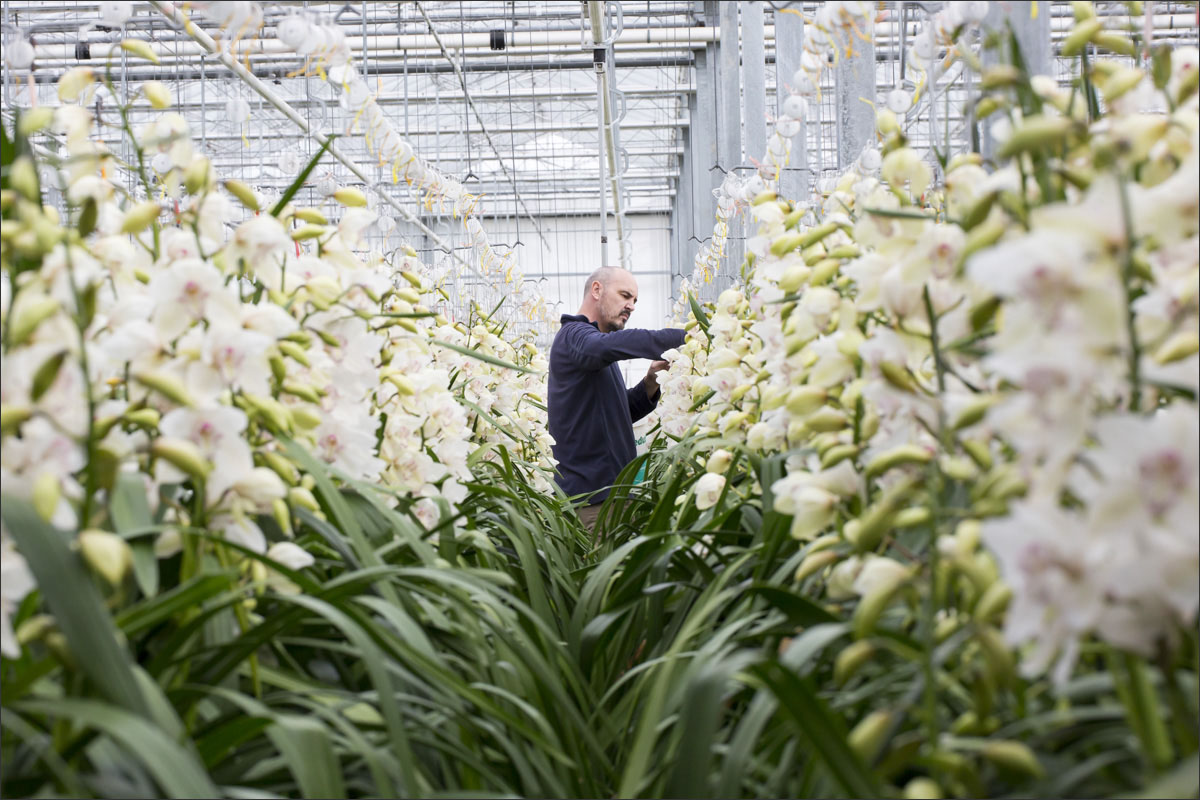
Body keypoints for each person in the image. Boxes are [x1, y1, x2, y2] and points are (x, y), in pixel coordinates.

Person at [548, 266, 686, 532]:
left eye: (634, 301)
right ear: (597, 290)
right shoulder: (574, 336)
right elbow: (604, 346)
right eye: (625, 295)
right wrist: (685, 338)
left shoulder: (594, 349)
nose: (631, 306)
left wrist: (650, 382)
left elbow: (617, 413)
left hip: (614, 496)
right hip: (594, 502)